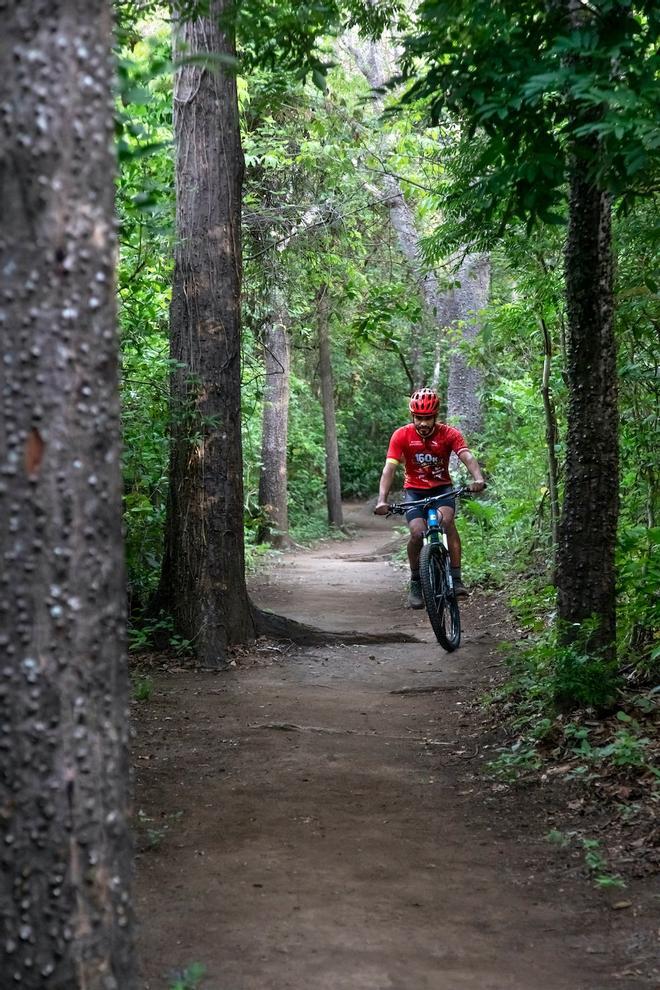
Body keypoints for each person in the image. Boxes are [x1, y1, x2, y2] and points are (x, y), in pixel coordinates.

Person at [373, 387, 485, 608]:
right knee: (416, 533)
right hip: (414, 491)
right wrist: (381, 499)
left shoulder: (449, 434)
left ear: (436, 416)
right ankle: (416, 582)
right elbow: (389, 468)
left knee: (447, 522)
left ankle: (456, 577)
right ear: (412, 416)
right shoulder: (401, 435)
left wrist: (478, 478)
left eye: (428, 418)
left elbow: (466, 455)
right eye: (419, 418)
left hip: (442, 489)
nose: (423, 423)